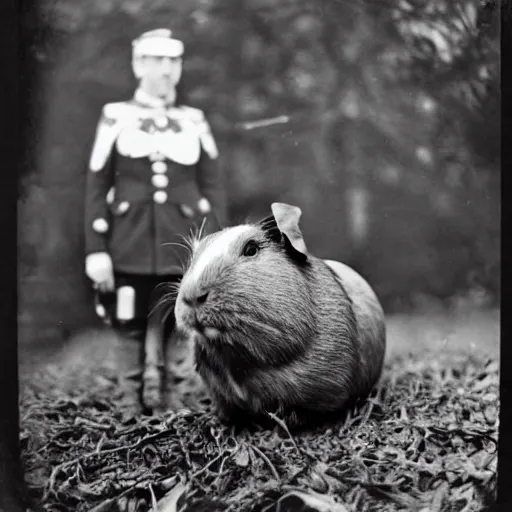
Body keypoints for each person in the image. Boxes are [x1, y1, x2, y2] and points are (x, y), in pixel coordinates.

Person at [83, 28, 226, 414]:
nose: (165, 71)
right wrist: (96, 250)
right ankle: (130, 403)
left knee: (180, 321)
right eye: (156, 61)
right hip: (128, 243)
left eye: (172, 62)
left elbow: (213, 188)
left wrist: (212, 252)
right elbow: (97, 184)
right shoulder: (116, 116)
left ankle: (171, 399)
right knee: (128, 321)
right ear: (138, 65)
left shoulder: (194, 120)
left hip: (182, 244)